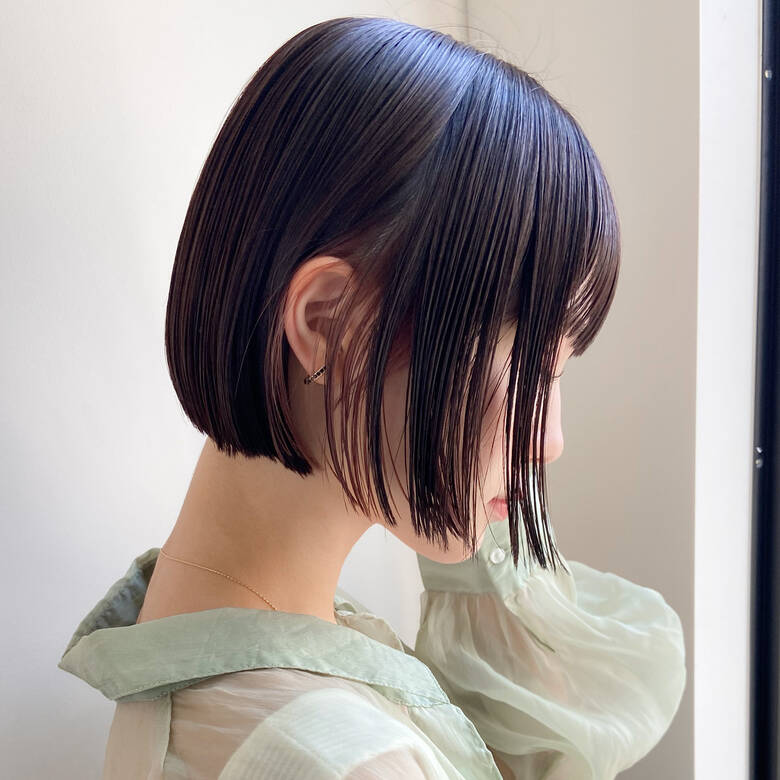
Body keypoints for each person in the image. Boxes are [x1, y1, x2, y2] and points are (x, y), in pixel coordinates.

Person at [57, 16, 687, 779]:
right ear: (330, 324)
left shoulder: (222, 634)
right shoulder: (338, 759)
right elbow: (558, 735)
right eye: (532, 370)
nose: (549, 439)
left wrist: (461, 484)